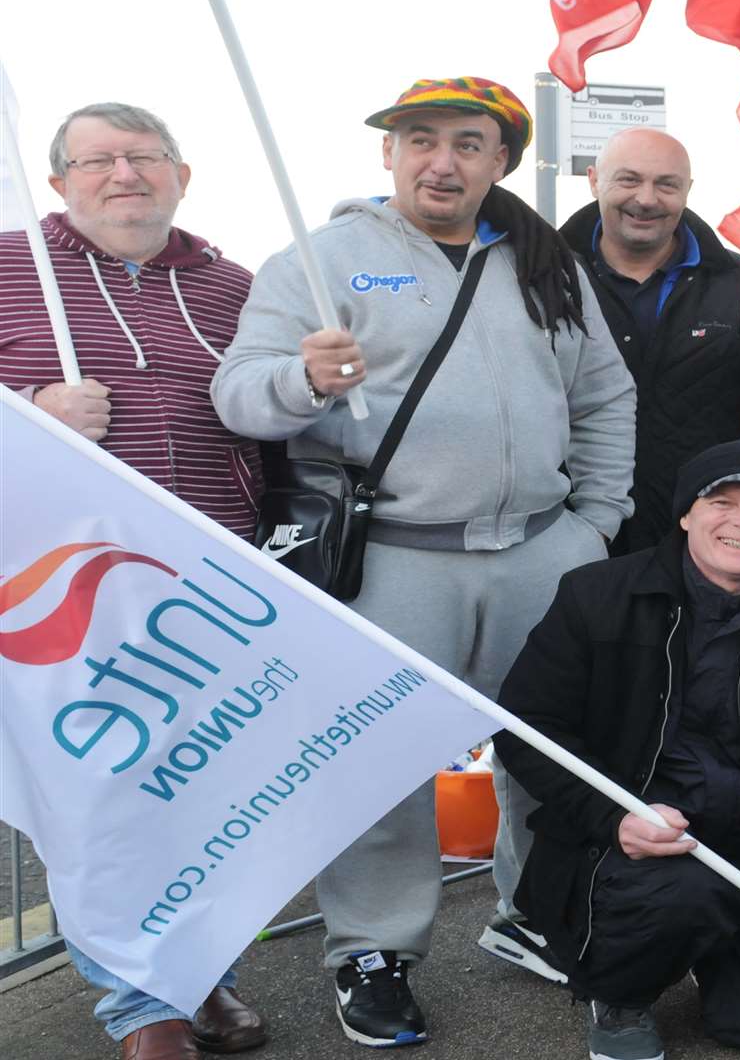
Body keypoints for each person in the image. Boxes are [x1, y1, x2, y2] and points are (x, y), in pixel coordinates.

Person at [211, 77, 636, 1046]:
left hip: (541, 551)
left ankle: (535, 913)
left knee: (551, 750)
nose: (442, 161)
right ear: (390, 154)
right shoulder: (324, 262)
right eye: (421, 140)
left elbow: (607, 398)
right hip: (391, 560)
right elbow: (237, 395)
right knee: (378, 766)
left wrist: (597, 525)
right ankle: (374, 951)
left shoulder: (546, 265)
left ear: (500, 161)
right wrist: (299, 378)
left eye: (468, 143)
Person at [1, 101, 268, 1060]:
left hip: (212, 580)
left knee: (208, 790)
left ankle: (204, 979)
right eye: (99, 160)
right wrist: (31, 412)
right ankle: (140, 1006)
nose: (124, 175)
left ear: (182, 175)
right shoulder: (5, 268)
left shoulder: (236, 285)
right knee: (98, 798)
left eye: (144, 156)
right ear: (61, 180)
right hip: (62, 587)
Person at [494, 440, 740, 1060]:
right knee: (680, 897)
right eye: (721, 502)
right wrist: (612, 818)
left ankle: (710, 944)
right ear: (685, 515)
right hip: (623, 846)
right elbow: (525, 726)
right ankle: (618, 995)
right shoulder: (597, 595)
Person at [559, 127, 740, 554]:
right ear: (593, 181)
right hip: (571, 528)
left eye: (666, 184)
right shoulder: (544, 275)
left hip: (694, 536)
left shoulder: (738, 280)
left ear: (687, 190)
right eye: (628, 179)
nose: (646, 198)